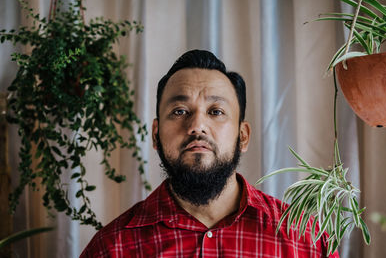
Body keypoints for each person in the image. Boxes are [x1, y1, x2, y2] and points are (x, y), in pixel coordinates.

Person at [80, 49, 339, 258]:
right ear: (156, 134)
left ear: (243, 135)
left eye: (216, 111)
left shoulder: (307, 241)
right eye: (180, 111)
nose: (196, 126)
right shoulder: (111, 249)